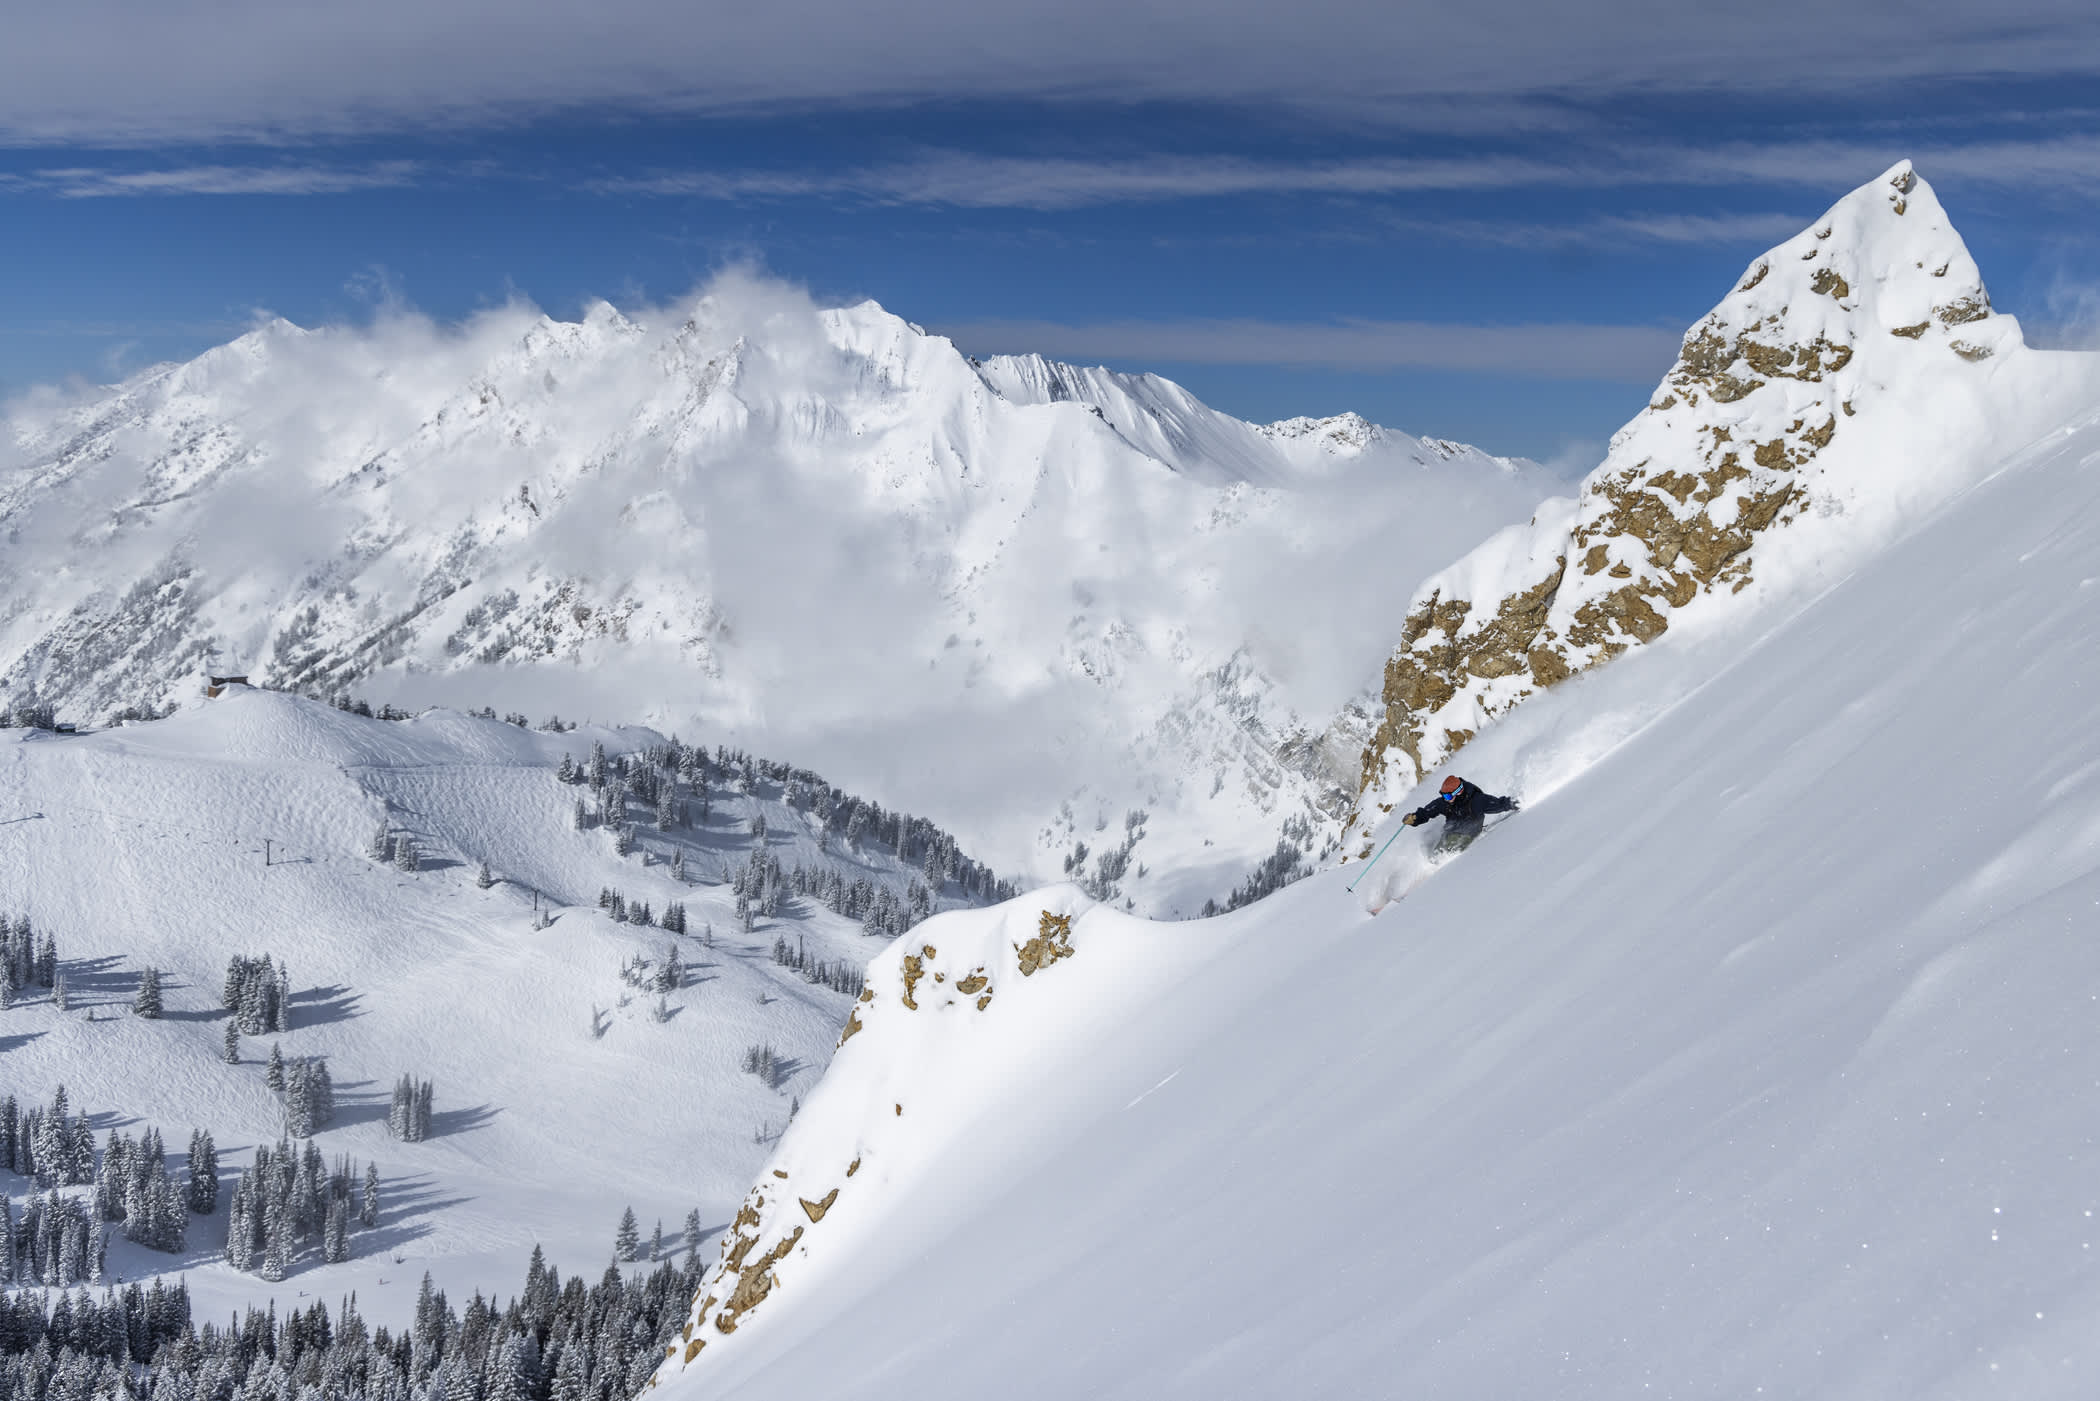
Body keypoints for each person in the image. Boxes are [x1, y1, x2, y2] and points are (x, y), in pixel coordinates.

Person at [1401, 775, 1517, 851]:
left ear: (1458, 792)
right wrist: (1414, 818)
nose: (1445, 798)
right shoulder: (1444, 802)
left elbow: (1498, 804)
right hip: (1449, 834)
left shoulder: (1477, 800)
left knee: (1447, 848)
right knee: (1439, 849)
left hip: (1468, 835)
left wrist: (1514, 803)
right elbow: (1427, 812)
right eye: (1443, 795)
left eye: (1447, 795)